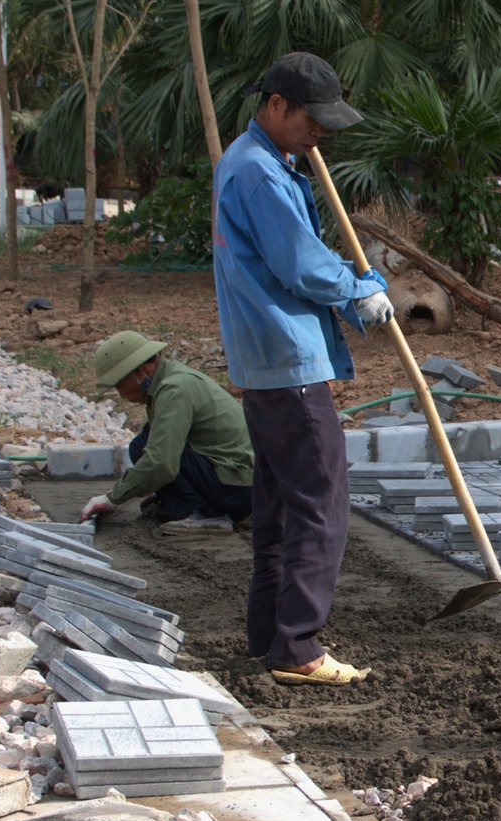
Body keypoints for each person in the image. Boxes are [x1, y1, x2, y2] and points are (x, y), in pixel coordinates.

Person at [213, 51, 394, 687]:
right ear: (275, 106)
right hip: (285, 357)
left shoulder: (260, 161)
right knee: (322, 499)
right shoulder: (260, 173)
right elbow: (298, 262)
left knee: (282, 506)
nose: (321, 133)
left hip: (266, 359)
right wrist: (356, 290)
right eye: (311, 119)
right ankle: (297, 647)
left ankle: (270, 633)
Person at [81, 332, 257, 532]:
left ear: (138, 372)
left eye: (120, 385)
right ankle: (196, 503)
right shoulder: (170, 380)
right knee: (145, 441)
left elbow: (160, 462)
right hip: (240, 481)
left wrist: (111, 499)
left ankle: (208, 515)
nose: (122, 394)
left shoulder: (174, 389)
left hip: (238, 488)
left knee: (151, 450)